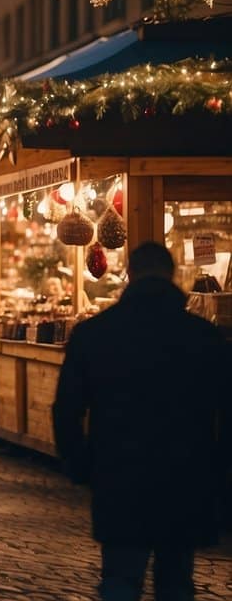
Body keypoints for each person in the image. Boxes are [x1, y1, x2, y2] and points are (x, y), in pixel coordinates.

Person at [54, 243, 231, 601]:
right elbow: (226, 410)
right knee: (176, 582)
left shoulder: (95, 334)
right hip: (186, 473)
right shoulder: (204, 337)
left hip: (119, 473)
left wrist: (80, 465)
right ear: (173, 276)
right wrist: (220, 470)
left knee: (120, 578)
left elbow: (67, 409)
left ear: (129, 275)